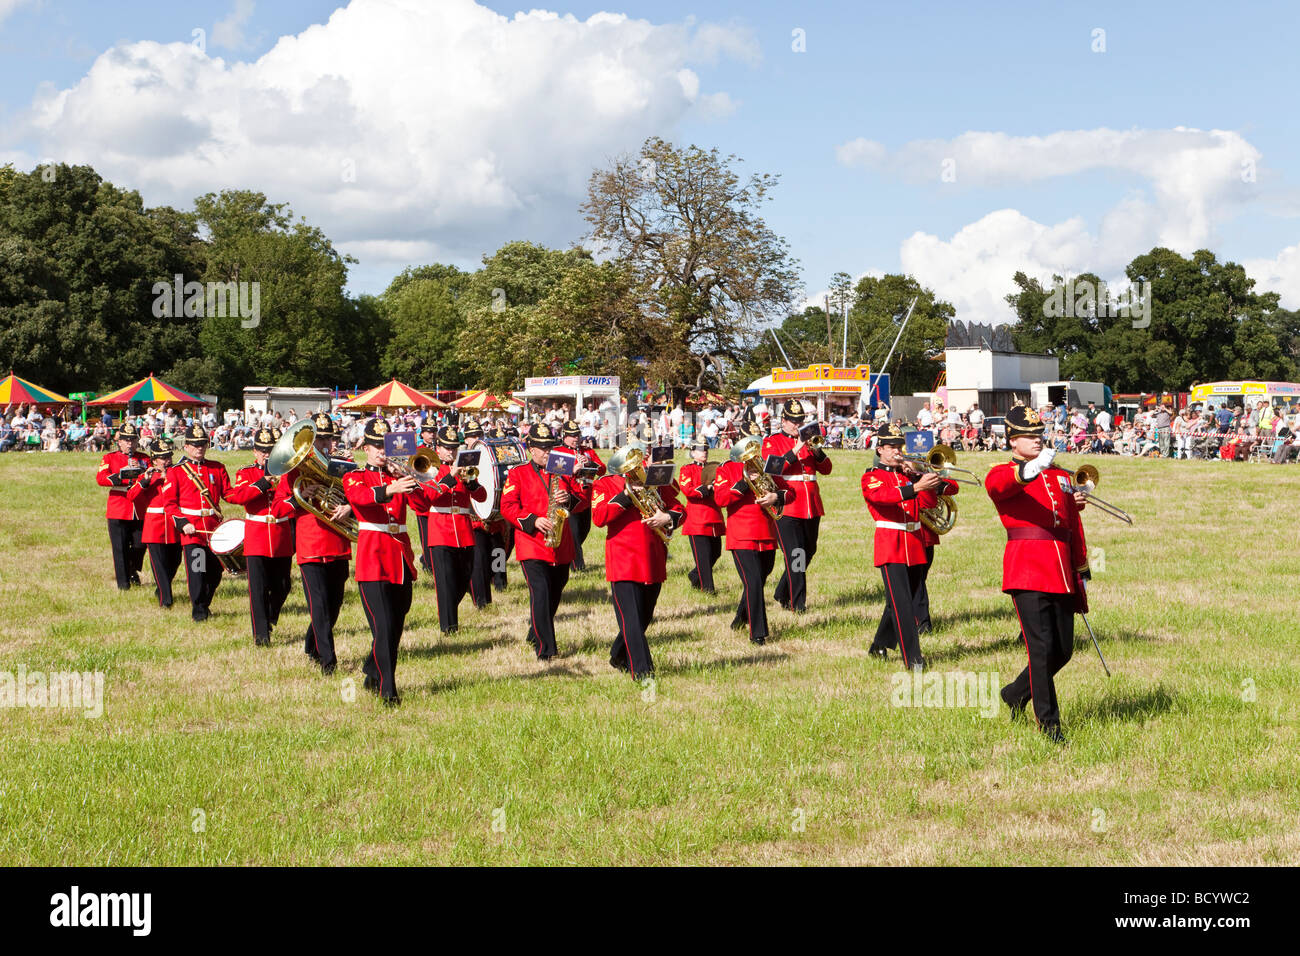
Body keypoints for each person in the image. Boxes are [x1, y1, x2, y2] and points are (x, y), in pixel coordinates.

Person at [985, 405, 1089, 743]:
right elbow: (1002, 487)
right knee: (1041, 648)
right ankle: (1050, 725)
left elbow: (1071, 522)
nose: (1037, 440)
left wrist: (1081, 564)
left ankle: (1015, 693)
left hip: (1059, 566)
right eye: (1029, 436)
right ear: (1013, 441)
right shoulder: (1001, 472)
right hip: (1027, 567)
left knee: (1063, 650)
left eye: (1039, 435)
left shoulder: (1059, 475)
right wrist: (1034, 466)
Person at [343, 418, 433, 705]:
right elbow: (358, 498)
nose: (382, 452)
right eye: (376, 447)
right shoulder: (355, 475)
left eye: (386, 447)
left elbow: (423, 505)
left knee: (394, 627)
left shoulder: (399, 475)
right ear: (365, 448)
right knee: (382, 627)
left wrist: (411, 479)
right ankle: (388, 690)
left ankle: (372, 669)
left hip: (401, 558)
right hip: (373, 559)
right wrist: (390, 489)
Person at [591, 442, 686, 679]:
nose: (635, 469)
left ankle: (618, 654)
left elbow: (680, 510)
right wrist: (625, 495)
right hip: (623, 558)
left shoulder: (654, 482)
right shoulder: (605, 483)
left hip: (653, 557)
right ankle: (643, 671)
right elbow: (599, 517)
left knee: (643, 617)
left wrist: (666, 517)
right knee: (631, 619)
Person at [500, 422, 592, 660]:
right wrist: (533, 521)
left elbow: (583, 500)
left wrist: (569, 498)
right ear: (530, 448)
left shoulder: (562, 469)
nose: (546, 452)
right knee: (540, 593)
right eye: (541, 447)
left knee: (553, 595)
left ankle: (535, 632)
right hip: (532, 543)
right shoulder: (517, 473)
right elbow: (508, 506)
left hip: (560, 544)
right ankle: (547, 650)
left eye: (549, 446)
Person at [272, 413, 354, 674]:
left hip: (339, 544)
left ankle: (311, 645)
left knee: (334, 605)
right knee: (318, 607)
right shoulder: (293, 471)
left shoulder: (343, 465)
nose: (325, 445)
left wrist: (349, 508)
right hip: (311, 545)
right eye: (320, 439)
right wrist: (299, 499)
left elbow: (358, 495)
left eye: (329, 438)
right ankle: (328, 662)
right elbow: (277, 509)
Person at [862, 423, 942, 669]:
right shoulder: (872, 476)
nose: (897, 451)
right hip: (891, 544)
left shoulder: (907, 475)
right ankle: (914, 660)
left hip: (915, 542)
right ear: (879, 450)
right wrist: (914, 486)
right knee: (903, 605)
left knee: (897, 601)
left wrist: (920, 476)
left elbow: (928, 502)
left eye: (899, 447)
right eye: (891, 447)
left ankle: (878, 645)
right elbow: (882, 498)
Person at [712, 427, 794, 646]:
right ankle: (758, 633)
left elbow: (790, 492)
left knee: (759, 579)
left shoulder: (768, 466)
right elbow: (720, 499)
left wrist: (775, 496)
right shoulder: (727, 469)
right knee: (754, 581)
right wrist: (743, 485)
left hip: (766, 534)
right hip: (741, 535)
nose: (753, 454)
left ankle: (740, 618)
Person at [762, 399, 831, 613]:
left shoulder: (810, 441)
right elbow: (773, 468)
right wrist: (796, 448)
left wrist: (817, 451)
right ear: (783, 420)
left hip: (811, 504)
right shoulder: (772, 441)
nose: (796, 425)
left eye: (799, 421)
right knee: (796, 555)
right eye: (793, 421)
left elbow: (827, 469)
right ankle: (797, 603)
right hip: (789, 504)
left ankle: (783, 591)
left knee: (808, 551)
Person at [227, 428, 294, 646]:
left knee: (283, 585)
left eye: (271, 450)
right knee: (257, 588)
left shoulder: (288, 471)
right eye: (263, 450)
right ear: (255, 452)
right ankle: (261, 634)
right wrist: (263, 483)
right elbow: (238, 497)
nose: (267, 454)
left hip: (281, 532)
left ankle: (271, 616)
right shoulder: (246, 473)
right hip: (256, 534)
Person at [160, 424, 232, 622]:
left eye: (202, 444)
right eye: (194, 444)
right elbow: (170, 504)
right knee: (198, 571)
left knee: (216, 571)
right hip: (192, 532)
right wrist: (183, 524)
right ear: (186, 447)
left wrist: (257, 488)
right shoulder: (176, 472)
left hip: (214, 529)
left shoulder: (217, 467)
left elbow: (229, 494)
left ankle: (204, 603)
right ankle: (199, 611)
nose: (199, 448)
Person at [423, 425, 488, 634]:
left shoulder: (465, 469)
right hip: (440, 530)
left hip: (463, 530)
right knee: (445, 583)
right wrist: (450, 477)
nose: (451, 452)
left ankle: (452, 612)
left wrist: (471, 484)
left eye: (454, 448)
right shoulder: (430, 469)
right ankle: (449, 628)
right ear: (438, 449)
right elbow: (429, 495)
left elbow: (482, 497)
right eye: (447, 448)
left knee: (463, 579)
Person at [127, 438, 182, 608]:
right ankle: (166, 600)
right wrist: (145, 481)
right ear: (154, 460)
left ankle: (161, 589)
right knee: (159, 566)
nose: (167, 461)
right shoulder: (148, 476)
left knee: (175, 561)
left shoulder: (177, 473)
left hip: (173, 525)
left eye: (169, 457)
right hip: (155, 526)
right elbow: (131, 496)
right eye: (163, 458)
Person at [96, 422, 149, 590]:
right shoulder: (109, 458)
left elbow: (151, 477)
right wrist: (120, 475)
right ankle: (124, 584)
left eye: (133, 440)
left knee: (141, 543)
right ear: (119, 442)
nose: (129, 444)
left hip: (140, 508)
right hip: (119, 506)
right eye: (126, 440)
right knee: (120, 548)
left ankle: (132, 568)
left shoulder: (144, 458)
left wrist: (140, 470)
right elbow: (101, 478)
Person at [675, 440, 725, 593]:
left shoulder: (715, 468)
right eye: (700, 450)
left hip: (714, 516)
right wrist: (708, 488)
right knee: (703, 557)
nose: (704, 452)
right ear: (693, 453)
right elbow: (687, 490)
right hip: (697, 518)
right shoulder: (687, 469)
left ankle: (695, 575)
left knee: (716, 553)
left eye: (706, 449)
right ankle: (708, 589)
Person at [559, 421, 605, 573]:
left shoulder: (587, 451)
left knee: (583, 531)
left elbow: (602, 470)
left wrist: (590, 463)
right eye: (572, 436)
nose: (575, 438)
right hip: (570, 499)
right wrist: (572, 469)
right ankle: (578, 567)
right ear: (564, 436)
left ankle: (568, 556)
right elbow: (554, 476)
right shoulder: (559, 452)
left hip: (586, 499)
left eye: (577, 435)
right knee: (573, 536)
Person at [412, 422, 438, 573]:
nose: (431, 434)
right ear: (422, 434)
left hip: (437, 493)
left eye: (433, 431)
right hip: (424, 495)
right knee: (426, 535)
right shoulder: (419, 451)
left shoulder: (439, 448)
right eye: (428, 432)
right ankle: (427, 563)